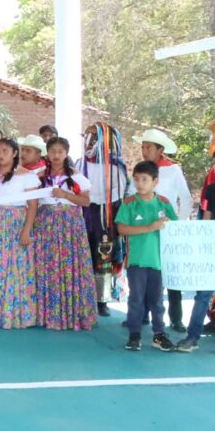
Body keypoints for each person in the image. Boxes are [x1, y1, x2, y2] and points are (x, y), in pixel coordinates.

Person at [133, 128, 192, 332]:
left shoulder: (173, 170)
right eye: (143, 146)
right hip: (145, 229)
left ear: (160, 149)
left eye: (148, 147)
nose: (144, 150)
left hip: (168, 230)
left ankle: (176, 318)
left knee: (171, 273)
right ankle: (144, 315)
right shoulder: (140, 171)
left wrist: (178, 223)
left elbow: (185, 199)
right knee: (147, 272)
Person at [0, 138, 42, 329]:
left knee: (12, 268)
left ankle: (12, 313)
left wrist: (26, 231)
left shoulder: (26, 176)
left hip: (14, 225)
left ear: (15, 153)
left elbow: (32, 206)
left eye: (5, 150)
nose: (0, 154)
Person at [34, 137, 96, 331]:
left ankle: (72, 313)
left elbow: (85, 202)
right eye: (52, 151)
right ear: (47, 153)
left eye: (61, 151)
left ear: (66, 153)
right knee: (47, 266)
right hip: (46, 224)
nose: (56, 155)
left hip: (70, 226)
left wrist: (65, 195)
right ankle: (47, 313)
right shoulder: (39, 176)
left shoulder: (76, 176)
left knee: (69, 266)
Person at [115, 160, 177, 352]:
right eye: (136, 179)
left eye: (144, 179)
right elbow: (121, 229)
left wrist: (169, 224)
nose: (139, 183)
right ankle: (135, 334)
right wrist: (149, 227)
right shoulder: (129, 204)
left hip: (159, 262)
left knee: (157, 300)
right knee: (136, 299)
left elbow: (177, 228)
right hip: (136, 261)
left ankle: (159, 334)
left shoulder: (164, 203)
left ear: (155, 181)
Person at [176, 146, 215, 355]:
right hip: (213, 250)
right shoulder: (212, 189)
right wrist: (203, 244)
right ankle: (192, 337)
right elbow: (206, 218)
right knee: (202, 295)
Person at [81, 123, 130, 317]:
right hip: (84, 212)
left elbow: (118, 192)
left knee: (104, 254)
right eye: (87, 139)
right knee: (84, 252)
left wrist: (102, 205)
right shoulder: (79, 163)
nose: (89, 143)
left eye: (94, 139)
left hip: (106, 214)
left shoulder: (116, 166)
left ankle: (102, 299)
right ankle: (84, 296)